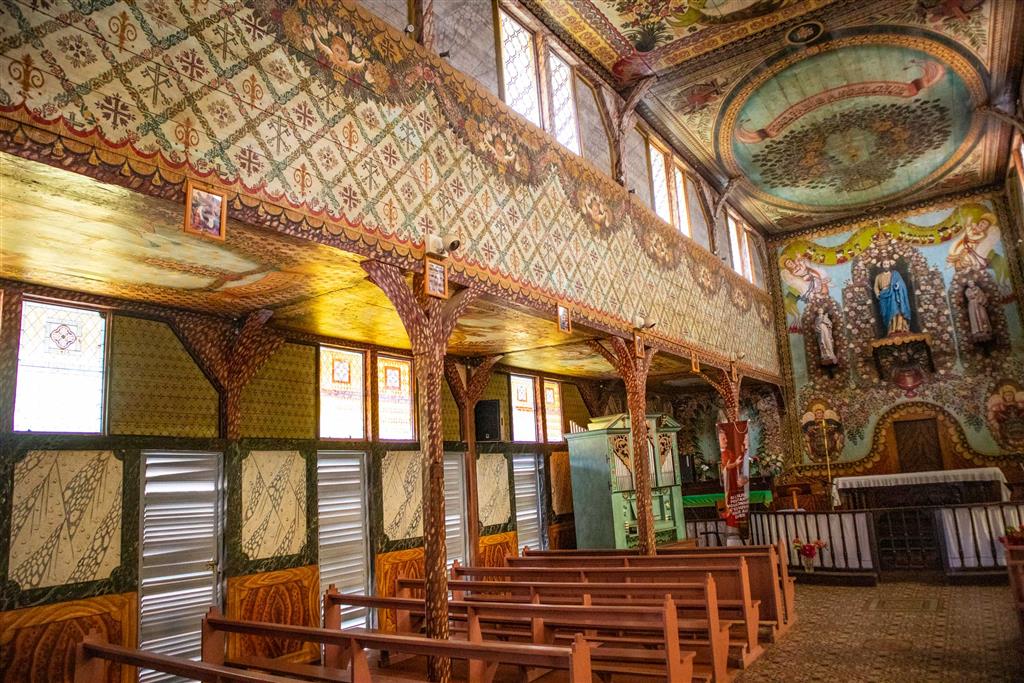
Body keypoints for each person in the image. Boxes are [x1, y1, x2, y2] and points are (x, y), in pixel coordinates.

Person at [873, 263, 912, 335]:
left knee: (896, 309)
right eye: (884, 264)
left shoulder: (895, 274)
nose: (886, 266)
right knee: (886, 313)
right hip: (884, 295)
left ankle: (899, 328)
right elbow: (876, 287)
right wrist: (878, 294)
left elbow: (900, 282)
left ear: (889, 265)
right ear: (882, 266)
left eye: (887, 264)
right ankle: (890, 329)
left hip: (893, 294)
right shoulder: (878, 276)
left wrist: (898, 285)